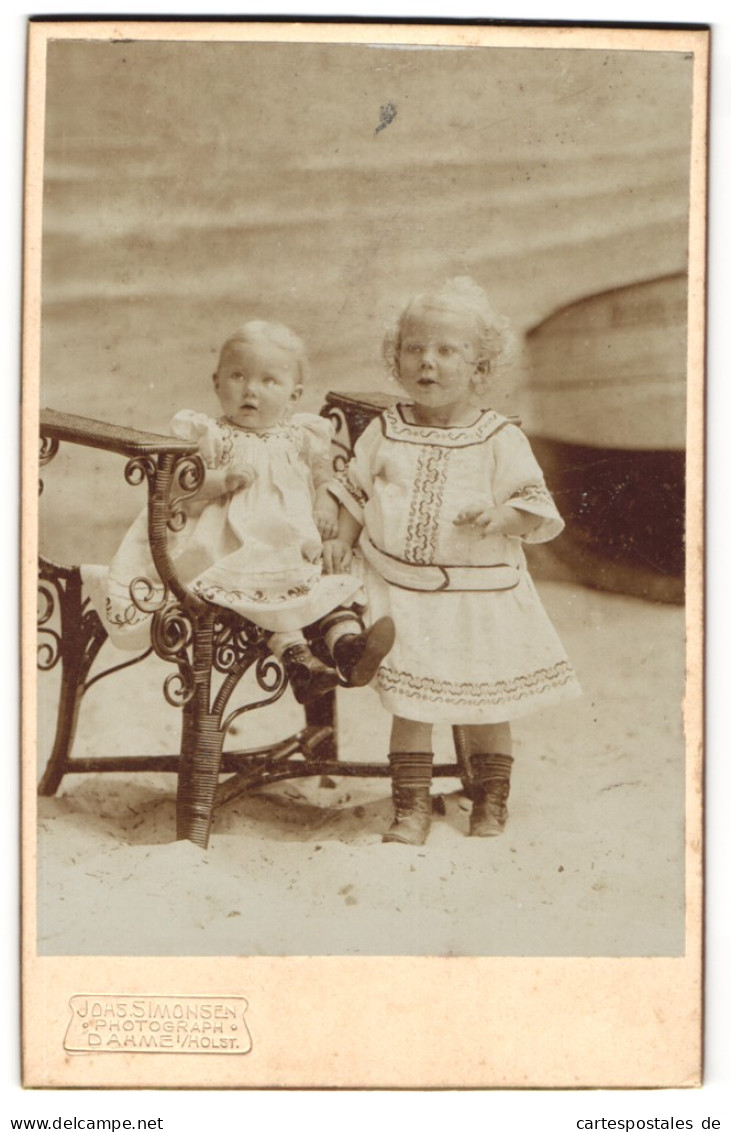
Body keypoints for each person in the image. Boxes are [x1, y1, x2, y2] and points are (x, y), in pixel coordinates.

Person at [323, 277, 580, 844]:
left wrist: (503, 518)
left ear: (481, 369)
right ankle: (410, 808)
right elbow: (355, 492)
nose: (428, 364)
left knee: (487, 702)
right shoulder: (386, 430)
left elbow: (533, 503)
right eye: (414, 349)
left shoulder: (496, 438)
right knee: (412, 704)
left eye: (446, 351)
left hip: (480, 595)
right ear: (396, 359)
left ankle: (490, 800)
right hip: (400, 588)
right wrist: (341, 536)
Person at [83, 320, 393, 703]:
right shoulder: (213, 436)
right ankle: (301, 662)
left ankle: (347, 647)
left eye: (268, 382)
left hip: (293, 546)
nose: (250, 390)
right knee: (264, 592)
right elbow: (177, 486)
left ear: (294, 396)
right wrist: (221, 480)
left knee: (324, 586)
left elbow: (325, 477)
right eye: (238, 376)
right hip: (232, 547)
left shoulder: (300, 436)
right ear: (216, 383)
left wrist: (322, 503)